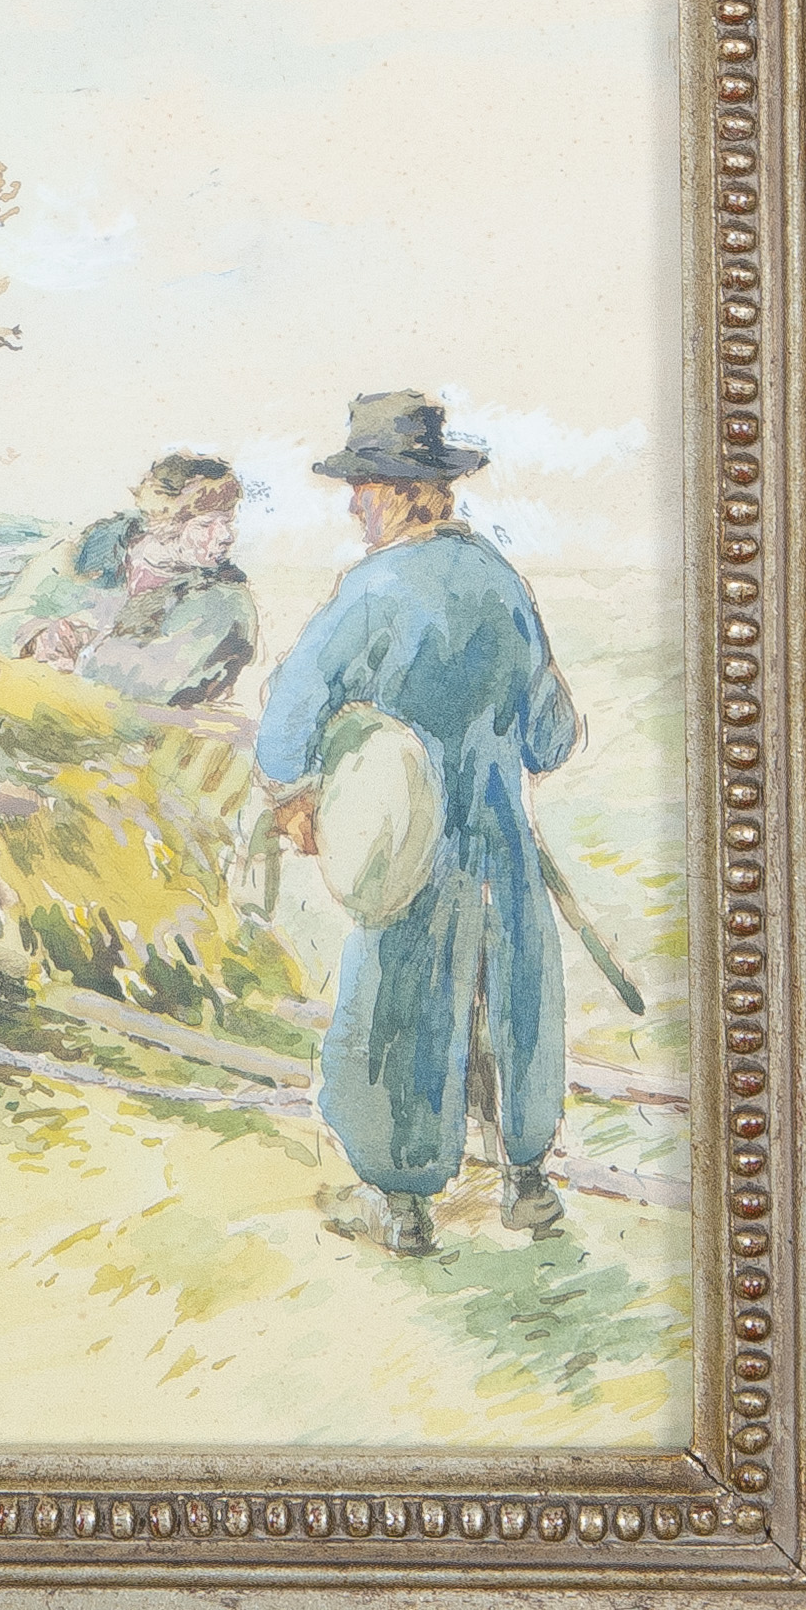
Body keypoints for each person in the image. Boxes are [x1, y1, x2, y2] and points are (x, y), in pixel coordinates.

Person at [253, 392, 579, 1257]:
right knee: (510, 994)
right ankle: (527, 1184)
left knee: (401, 1000)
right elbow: (550, 733)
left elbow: (290, 710)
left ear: (399, 491)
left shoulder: (371, 590)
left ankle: (399, 1205)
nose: (352, 506)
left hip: (410, 842)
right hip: (500, 843)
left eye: (360, 488)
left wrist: (294, 792)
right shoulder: (500, 581)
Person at [0, 452, 257, 711]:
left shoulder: (226, 598)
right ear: (165, 523)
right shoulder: (86, 554)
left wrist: (84, 646)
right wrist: (37, 635)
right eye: (206, 524)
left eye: (227, 521)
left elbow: (159, 681)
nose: (226, 536)